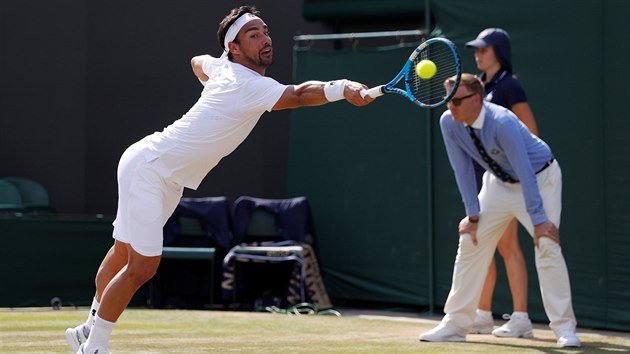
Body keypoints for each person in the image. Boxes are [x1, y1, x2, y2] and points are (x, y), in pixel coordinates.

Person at [64, 5, 373, 354]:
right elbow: (300, 94)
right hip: (150, 167)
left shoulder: (225, 68)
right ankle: (95, 347)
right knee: (142, 266)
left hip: (157, 169)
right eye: (253, 35)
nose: (265, 40)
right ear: (235, 48)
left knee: (123, 253)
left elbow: (198, 61)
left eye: (265, 31)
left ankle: (87, 329)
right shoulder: (248, 84)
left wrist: (215, 77)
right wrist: (343, 87)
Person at [418, 73, 580, 348]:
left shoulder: (502, 121)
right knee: (470, 239)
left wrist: (539, 220)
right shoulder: (449, 122)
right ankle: (455, 324)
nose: (451, 106)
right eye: (447, 100)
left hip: (540, 179)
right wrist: (473, 215)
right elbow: (462, 170)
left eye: (456, 100)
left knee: (547, 245)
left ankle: (565, 329)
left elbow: (525, 171)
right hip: (498, 184)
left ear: (477, 99)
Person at [464, 28, 539, 337]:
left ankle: (521, 318)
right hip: (486, 179)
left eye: (484, 48)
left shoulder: (510, 87)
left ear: (499, 52)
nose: (478, 54)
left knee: (508, 247)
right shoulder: (480, 88)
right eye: (476, 49)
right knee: (484, 244)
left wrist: (506, 168)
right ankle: (482, 315)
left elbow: (531, 132)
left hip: (506, 180)